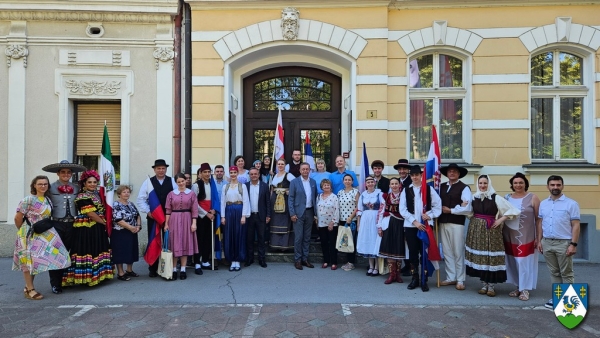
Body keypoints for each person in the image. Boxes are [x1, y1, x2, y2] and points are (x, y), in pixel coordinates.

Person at [13, 175, 71, 300]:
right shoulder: (28, 200)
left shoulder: (47, 200)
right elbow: (18, 218)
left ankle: (28, 287)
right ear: (34, 185)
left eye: (45, 184)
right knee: (28, 261)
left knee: (56, 255)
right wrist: (23, 233)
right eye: (40, 184)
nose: (43, 186)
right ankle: (30, 289)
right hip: (29, 234)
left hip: (44, 233)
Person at [465, 175, 520, 297]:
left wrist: (501, 220)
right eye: (480, 183)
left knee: (490, 257)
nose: (482, 185)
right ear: (478, 184)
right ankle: (484, 284)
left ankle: (491, 286)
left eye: (485, 183)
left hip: (491, 231)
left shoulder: (496, 198)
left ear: (488, 184)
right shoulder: (474, 197)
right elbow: (469, 212)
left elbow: (514, 210)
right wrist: (464, 205)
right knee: (481, 258)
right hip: (476, 231)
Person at [42, 160, 86, 294]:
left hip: (73, 223)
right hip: (56, 223)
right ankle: (55, 284)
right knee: (56, 254)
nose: (66, 174)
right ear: (58, 174)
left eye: (68, 172)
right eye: (63, 172)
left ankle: (66, 280)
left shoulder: (77, 188)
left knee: (70, 253)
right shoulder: (50, 188)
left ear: (71, 174)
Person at [537, 175, 580, 309]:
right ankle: (558, 297)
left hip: (564, 243)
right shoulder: (543, 204)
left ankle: (568, 302)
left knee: (566, 273)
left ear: (562, 186)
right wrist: (539, 241)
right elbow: (540, 223)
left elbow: (576, 225)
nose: (555, 187)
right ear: (548, 186)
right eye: (552, 185)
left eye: (558, 185)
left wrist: (573, 244)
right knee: (554, 272)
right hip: (547, 242)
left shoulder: (571, 204)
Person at [64, 170, 113, 286]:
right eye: (89, 182)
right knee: (88, 250)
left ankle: (99, 275)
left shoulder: (97, 194)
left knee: (98, 249)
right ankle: (87, 278)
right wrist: (104, 223)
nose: (92, 184)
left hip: (97, 227)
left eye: (94, 182)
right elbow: (91, 214)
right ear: (84, 183)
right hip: (86, 229)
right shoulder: (82, 196)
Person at [400, 166, 442, 292]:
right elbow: (403, 209)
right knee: (413, 253)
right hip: (411, 226)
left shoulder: (428, 189)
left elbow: (437, 206)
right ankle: (415, 278)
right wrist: (414, 221)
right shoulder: (406, 190)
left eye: (416, 175)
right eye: (412, 175)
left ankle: (424, 279)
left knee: (424, 253)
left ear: (421, 175)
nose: (414, 177)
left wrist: (430, 215)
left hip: (425, 226)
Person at [503, 173, 541, 301]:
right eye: (515, 183)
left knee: (523, 262)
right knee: (512, 261)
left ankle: (525, 289)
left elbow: (538, 219)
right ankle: (518, 286)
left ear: (525, 184)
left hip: (526, 235)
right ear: (512, 185)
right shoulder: (507, 198)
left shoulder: (533, 198)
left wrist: (539, 237)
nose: (518, 185)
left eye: (521, 182)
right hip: (509, 235)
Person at [136, 159, 177, 277]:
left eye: (163, 168)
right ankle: (152, 268)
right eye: (158, 168)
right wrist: (148, 212)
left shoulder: (172, 181)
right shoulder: (148, 182)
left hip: (168, 217)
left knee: (167, 241)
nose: (161, 170)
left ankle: (166, 267)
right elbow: (141, 199)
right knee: (153, 240)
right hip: (153, 218)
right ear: (154, 170)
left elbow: (176, 196)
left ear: (166, 169)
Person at [439, 163, 472, 290]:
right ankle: (451, 277)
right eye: (450, 171)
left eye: (454, 171)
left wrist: (452, 210)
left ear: (459, 174)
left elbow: (467, 207)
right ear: (447, 174)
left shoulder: (464, 188)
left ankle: (460, 279)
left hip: (457, 222)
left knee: (458, 250)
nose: (452, 173)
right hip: (442, 222)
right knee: (447, 251)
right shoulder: (442, 187)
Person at [164, 173, 199, 280]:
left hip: (187, 219)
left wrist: (194, 223)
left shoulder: (191, 194)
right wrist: (166, 224)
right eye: (178, 182)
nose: (181, 183)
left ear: (185, 181)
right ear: (176, 182)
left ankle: (183, 269)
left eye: (182, 181)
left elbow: (195, 210)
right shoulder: (171, 194)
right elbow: (168, 210)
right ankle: (174, 269)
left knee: (184, 242)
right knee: (174, 244)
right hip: (174, 219)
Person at [221, 166, 251, 271]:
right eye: (231, 172)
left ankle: (237, 260)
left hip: (239, 210)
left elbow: (246, 201)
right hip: (229, 210)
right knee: (229, 235)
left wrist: (244, 216)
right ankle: (231, 259)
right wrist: (223, 216)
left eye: (234, 172)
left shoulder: (242, 186)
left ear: (237, 173)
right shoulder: (226, 187)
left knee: (238, 234)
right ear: (229, 174)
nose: (233, 174)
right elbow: (223, 202)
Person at [289, 162, 318, 270]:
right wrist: (292, 213)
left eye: (307, 169)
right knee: (298, 238)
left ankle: (305, 259)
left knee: (307, 237)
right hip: (298, 213)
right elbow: (290, 198)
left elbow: (315, 198)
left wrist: (315, 214)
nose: (305, 171)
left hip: (310, 212)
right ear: (300, 171)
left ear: (309, 170)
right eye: (303, 169)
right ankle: (297, 260)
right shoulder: (294, 182)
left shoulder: (313, 182)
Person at [378, 178, 406, 284]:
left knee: (399, 248)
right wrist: (379, 226)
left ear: (399, 185)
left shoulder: (404, 196)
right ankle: (392, 274)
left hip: (400, 224)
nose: (394, 185)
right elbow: (381, 211)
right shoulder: (385, 196)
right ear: (389, 185)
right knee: (389, 249)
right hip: (388, 223)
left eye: (396, 183)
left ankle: (398, 274)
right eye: (392, 184)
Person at [191, 163, 218, 274]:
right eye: (205, 172)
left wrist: (214, 210)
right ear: (200, 173)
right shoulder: (196, 185)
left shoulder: (212, 184)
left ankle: (206, 260)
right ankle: (197, 262)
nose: (207, 174)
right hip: (200, 216)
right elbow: (194, 203)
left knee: (209, 238)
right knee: (199, 239)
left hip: (210, 215)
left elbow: (215, 198)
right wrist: (206, 213)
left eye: (209, 172)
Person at [111, 185, 142, 281]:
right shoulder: (115, 204)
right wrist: (131, 227)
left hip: (132, 231)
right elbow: (118, 219)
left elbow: (138, 215)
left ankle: (129, 270)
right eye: (124, 192)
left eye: (128, 192)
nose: (126, 194)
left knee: (131, 250)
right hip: (120, 232)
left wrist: (138, 226)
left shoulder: (131, 204)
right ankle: (120, 273)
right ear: (119, 194)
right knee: (120, 252)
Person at [356, 175, 385, 277]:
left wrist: (380, 223)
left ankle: (377, 267)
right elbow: (359, 210)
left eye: (372, 182)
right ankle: (371, 266)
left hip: (375, 218)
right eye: (368, 182)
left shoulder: (380, 194)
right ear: (366, 184)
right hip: (365, 219)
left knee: (375, 241)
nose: (370, 184)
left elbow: (383, 208)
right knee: (368, 240)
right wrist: (359, 223)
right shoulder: (363, 195)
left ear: (374, 183)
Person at [245, 167, 271, 268]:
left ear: (259, 174)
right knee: (249, 239)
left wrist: (268, 215)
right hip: (249, 216)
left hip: (261, 216)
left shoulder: (264, 186)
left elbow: (268, 202)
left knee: (261, 238)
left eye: (255, 174)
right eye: (251, 174)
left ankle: (261, 259)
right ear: (249, 175)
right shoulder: (245, 186)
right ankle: (249, 258)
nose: (253, 176)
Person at [269, 159, 296, 250]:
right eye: (279, 164)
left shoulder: (289, 175)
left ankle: (284, 246)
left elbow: (296, 184)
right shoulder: (275, 175)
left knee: (284, 221)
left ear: (285, 165)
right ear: (276, 165)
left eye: (282, 164)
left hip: (285, 200)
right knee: (275, 221)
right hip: (274, 201)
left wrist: (290, 191)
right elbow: (272, 189)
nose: (280, 165)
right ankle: (275, 245)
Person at [392, 158, 412, 277]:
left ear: (408, 170)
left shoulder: (411, 181)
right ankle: (406, 264)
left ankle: (411, 266)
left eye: (404, 169)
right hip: (398, 216)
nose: (402, 171)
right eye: (400, 169)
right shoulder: (396, 182)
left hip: (408, 215)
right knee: (401, 241)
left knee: (409, 241)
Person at [337, 174, 359, 271]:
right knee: (344, 241)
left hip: (351, 220)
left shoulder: (356, 192)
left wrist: (351, 217)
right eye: (345, 180)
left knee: (351, 241)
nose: (347, 181)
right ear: (343, 181)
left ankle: (351, 262)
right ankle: (346, 261)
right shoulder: (340, 192)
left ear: (352, 181)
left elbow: (358, 207)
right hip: (341, 220)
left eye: (349, 180)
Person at [316, 179, 339, 270]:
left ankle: (334, 262)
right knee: (324, 243)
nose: (326, 186)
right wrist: (316, 220)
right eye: (324, 185)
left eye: (328, 185)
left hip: (331, 223)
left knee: (332, 243)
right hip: (321, 223)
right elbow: (317, 209)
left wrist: (332, 222)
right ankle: (326, 261)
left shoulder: (334, 197)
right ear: (322, 187)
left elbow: (337, 210)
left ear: (330, 186)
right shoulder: (319, 196)